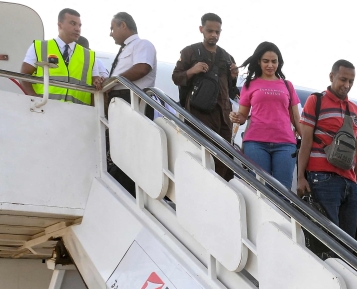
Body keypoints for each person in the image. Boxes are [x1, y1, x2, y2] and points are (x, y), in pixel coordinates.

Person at [297, 59, 357, 237]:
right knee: (330, 239)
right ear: (331, 76)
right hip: (323, 177)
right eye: (343, 79)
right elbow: (305, 141)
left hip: (349, 182)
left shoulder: (355, 110)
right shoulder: (316, 100)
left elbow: (355, 149)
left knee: (349, 242)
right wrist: (300, 177)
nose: (347, 85)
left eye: (351, 81)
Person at [172, 13, 238, 180]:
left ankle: (219, 190)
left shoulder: (227, 57)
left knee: (223, 156)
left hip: (223, 114)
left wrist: (233, 76)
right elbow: (176, 77)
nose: (214, 35)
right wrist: (192, 71)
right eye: (210, 31)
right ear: (201, 29)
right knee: (200, 153)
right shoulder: (190, 52)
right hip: (198, 113)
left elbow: (231, 91)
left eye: (217, 32)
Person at [230, 42, 301, 189]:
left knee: (283, 191)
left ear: (279, 63)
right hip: (256, 143)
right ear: (258, 62)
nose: (270, 65)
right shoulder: (249, 84)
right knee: (260, 190)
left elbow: (295, 118)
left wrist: (308, 142)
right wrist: (237, 118)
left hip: (285, 144)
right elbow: (243, 116)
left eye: (274, 61)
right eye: (266, 61)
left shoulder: (288, 85)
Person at [20, 7, 108, 104]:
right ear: (60, 25)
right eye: (73, 23)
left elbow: (94, 87)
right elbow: (24, 76)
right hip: (44, 110)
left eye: (80, 25)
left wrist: (99, 83)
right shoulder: (39, 47)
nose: (77, 29)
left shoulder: (90, 56)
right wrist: (35, 99)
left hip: (78, 113)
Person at [105, 12, 156, 110]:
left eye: (112, 28)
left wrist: (112, 82)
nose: (111, 34)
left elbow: (141, 69)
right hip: (119, 101)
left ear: (123, 25)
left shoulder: (143, 44)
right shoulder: (125, 49)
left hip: (133, 101)